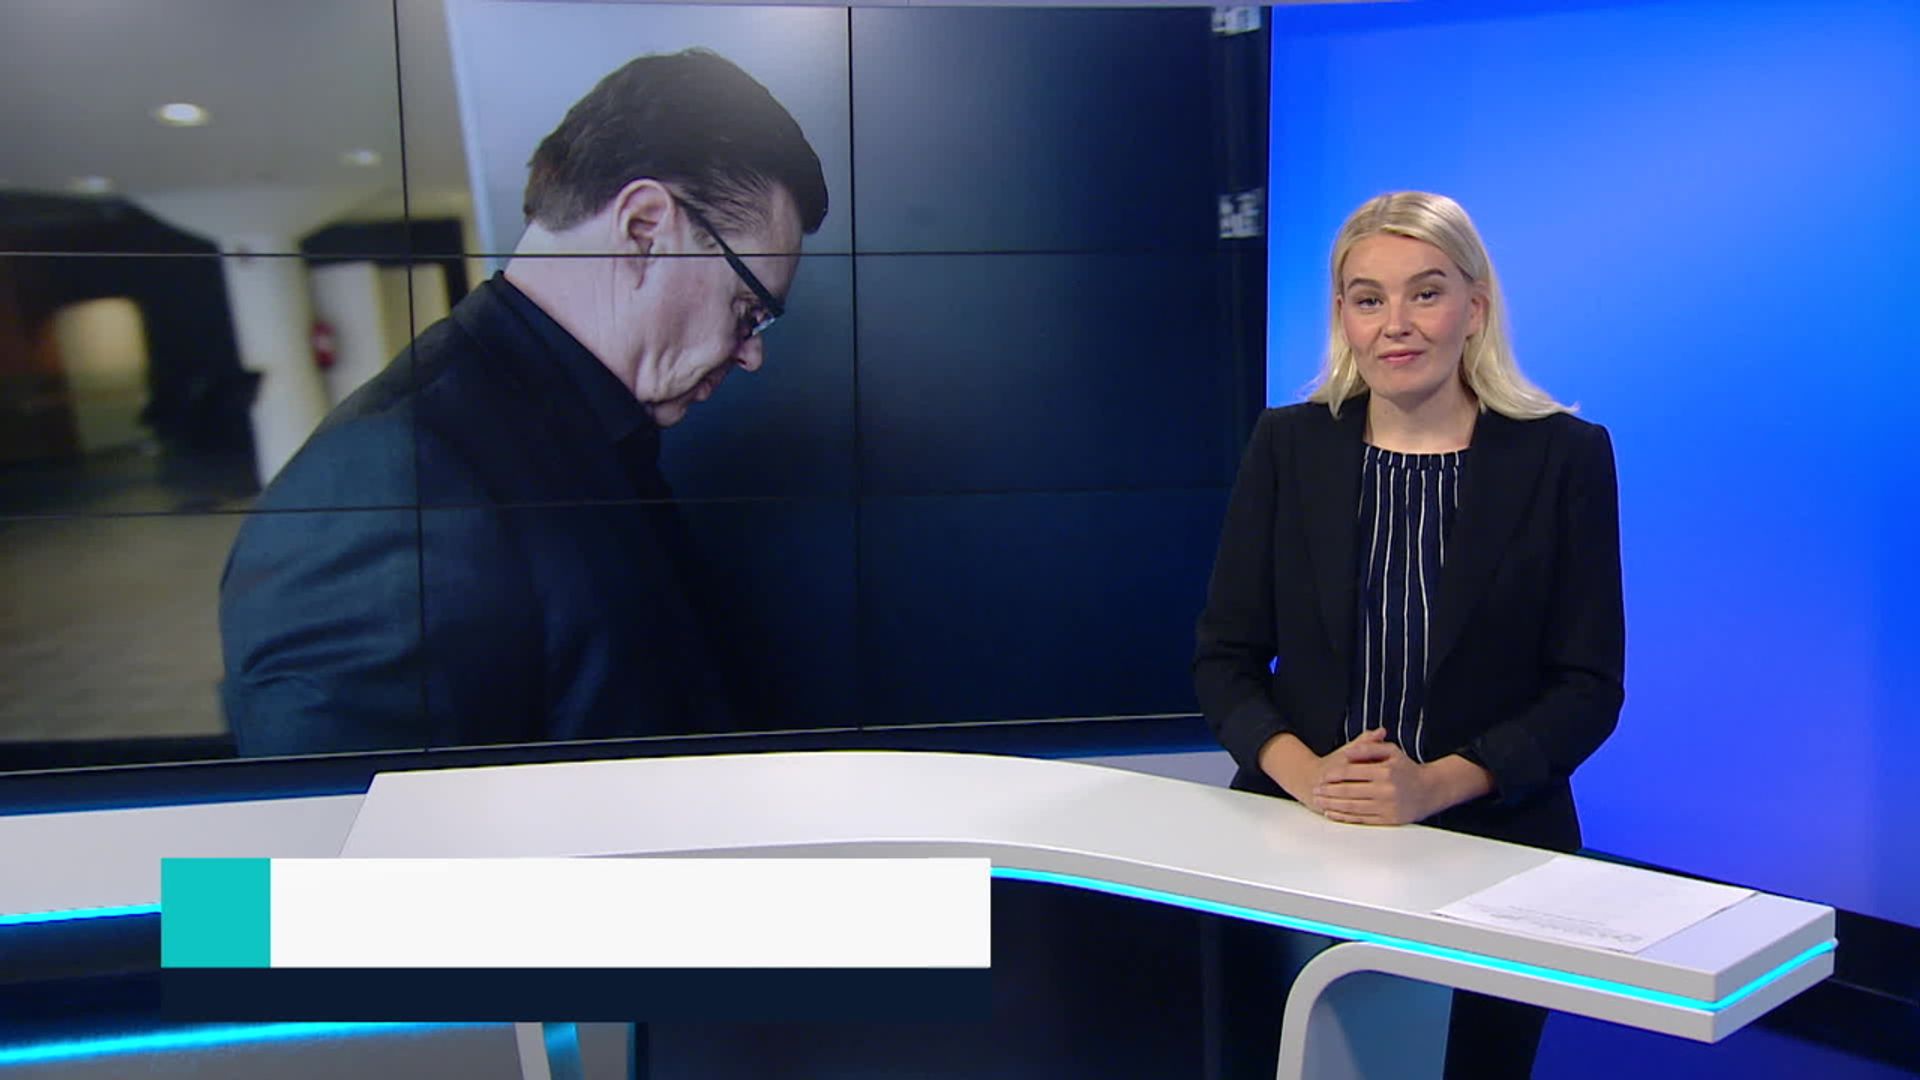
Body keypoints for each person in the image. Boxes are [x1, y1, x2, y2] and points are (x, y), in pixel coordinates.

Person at [219, 49, 829, 756]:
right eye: (748, 308)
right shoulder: (391, 486)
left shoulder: (584, 423)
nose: (751, 353)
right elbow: (355, 828)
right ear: (644, 230)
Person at [1193, 191, 1624, 1079]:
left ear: (1476, 307)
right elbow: (1224, 659)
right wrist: (1310, 778)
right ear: (1343, 318)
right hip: (1292, 840)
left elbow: (1588, 687)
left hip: (1497, 846)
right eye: (1368, 298)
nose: (1397, 323)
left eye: (1426, 293)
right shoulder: (1288, 445)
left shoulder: (1565, 456)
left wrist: (1432, 786)